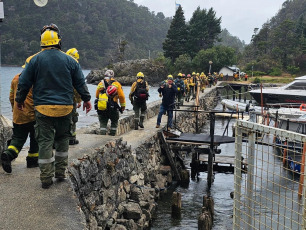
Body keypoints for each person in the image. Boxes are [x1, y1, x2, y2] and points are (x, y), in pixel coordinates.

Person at [15, 25, 92, 189]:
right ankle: (60, 172)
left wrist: (20, 100)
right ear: (58, 42)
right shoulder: (70, 61)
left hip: (43, 109)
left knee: (44, 142)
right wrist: (86, 99)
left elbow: (23, 82)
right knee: (63, 139)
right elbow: (80, 82)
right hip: (65, 108)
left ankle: (45, 178)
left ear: (42, 43)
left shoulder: (34, 60)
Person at [1, 66, 39, 173]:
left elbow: (11, 96)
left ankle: (8, 154)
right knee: (35, 138)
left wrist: (14, 109)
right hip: (32, 114)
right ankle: (32, 160)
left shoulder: (15, 78)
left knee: (18, 138)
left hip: (18, 115)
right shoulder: (35, 79)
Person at [95, 69, 126, 135]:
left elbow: (97, 95)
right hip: (113, 107)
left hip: (102, 107)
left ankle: (102, 136)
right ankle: (112, 136)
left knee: (103, 123)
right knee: (114, 122)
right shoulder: (116, 84)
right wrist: (123, 106)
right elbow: (122, 96)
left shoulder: (100, 83)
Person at [66, 48, 82, 145]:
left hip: (61, 98)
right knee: (73, 118)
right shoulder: (74, 68)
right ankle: (71, 138)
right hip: (71, 99)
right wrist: (79, 99)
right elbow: (78, 86)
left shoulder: (62, 67)